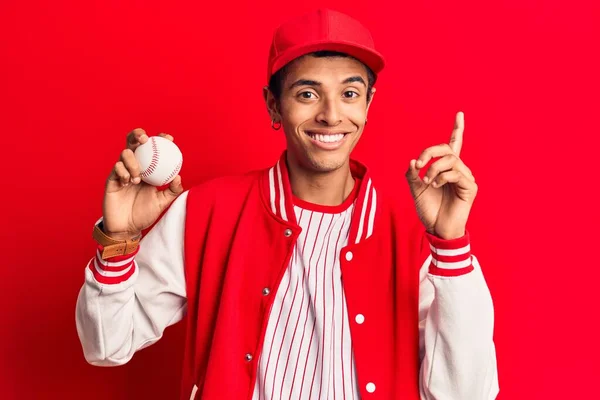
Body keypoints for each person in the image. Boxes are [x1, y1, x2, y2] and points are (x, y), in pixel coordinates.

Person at [76, 8, 499, 400]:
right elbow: (107, 345)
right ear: (273, 105)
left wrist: (451, 244)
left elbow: (466, 393)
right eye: (308, 94)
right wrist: (120, 236)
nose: (332, 115)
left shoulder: (410, 232)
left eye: (350, 93)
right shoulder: (206, 211)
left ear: (369, 104)